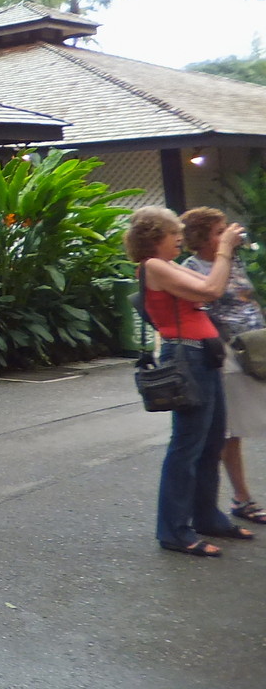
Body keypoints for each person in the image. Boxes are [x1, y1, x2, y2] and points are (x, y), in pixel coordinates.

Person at [125, 207, 247, 556]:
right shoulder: (154, 266)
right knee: (187, 445)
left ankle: (207, 516)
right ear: (154, 238)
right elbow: (211, 289)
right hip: (188, 358)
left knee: (211, 442)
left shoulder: (168, 265)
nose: (179, 239)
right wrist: (224, 249)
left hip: (203, 357)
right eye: (173, 234)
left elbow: (211, 285)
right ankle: (174, 530)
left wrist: (224, 253)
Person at [181, 207, 266, 526]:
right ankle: (235, 499)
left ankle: (223, 502)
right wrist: (226, 251)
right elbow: (209, 298)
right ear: (202, 238)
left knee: (240, 426)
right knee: (229, 430)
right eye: (219, 232)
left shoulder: (237, 260)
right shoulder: (191, 268)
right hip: (227, 352)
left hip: (255, 345)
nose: (227, 235)